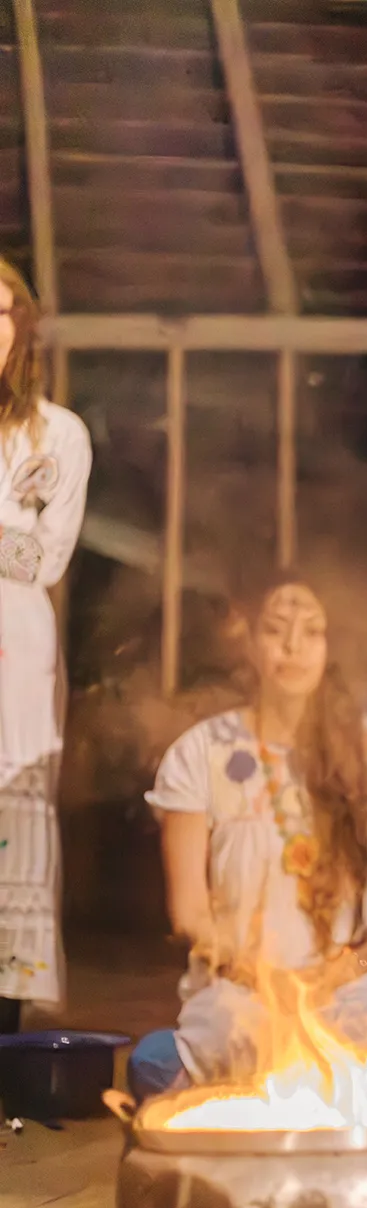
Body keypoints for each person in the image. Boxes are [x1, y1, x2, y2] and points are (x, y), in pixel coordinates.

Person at [128, 569, 367, 1099]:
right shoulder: (201, 752)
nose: (293, 647)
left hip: (355, 989)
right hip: (241, 989)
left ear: (332, 644)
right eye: (276, 630)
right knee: (160, 1067)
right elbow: (189, 913)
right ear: (248, 641)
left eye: (312, 631)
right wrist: (263, 978)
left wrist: (334, 977)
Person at [0, 258, 91, 1032]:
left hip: (13, 668)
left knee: (11, 846)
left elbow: (44, 560)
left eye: (0, 312)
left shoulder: (56, 434)